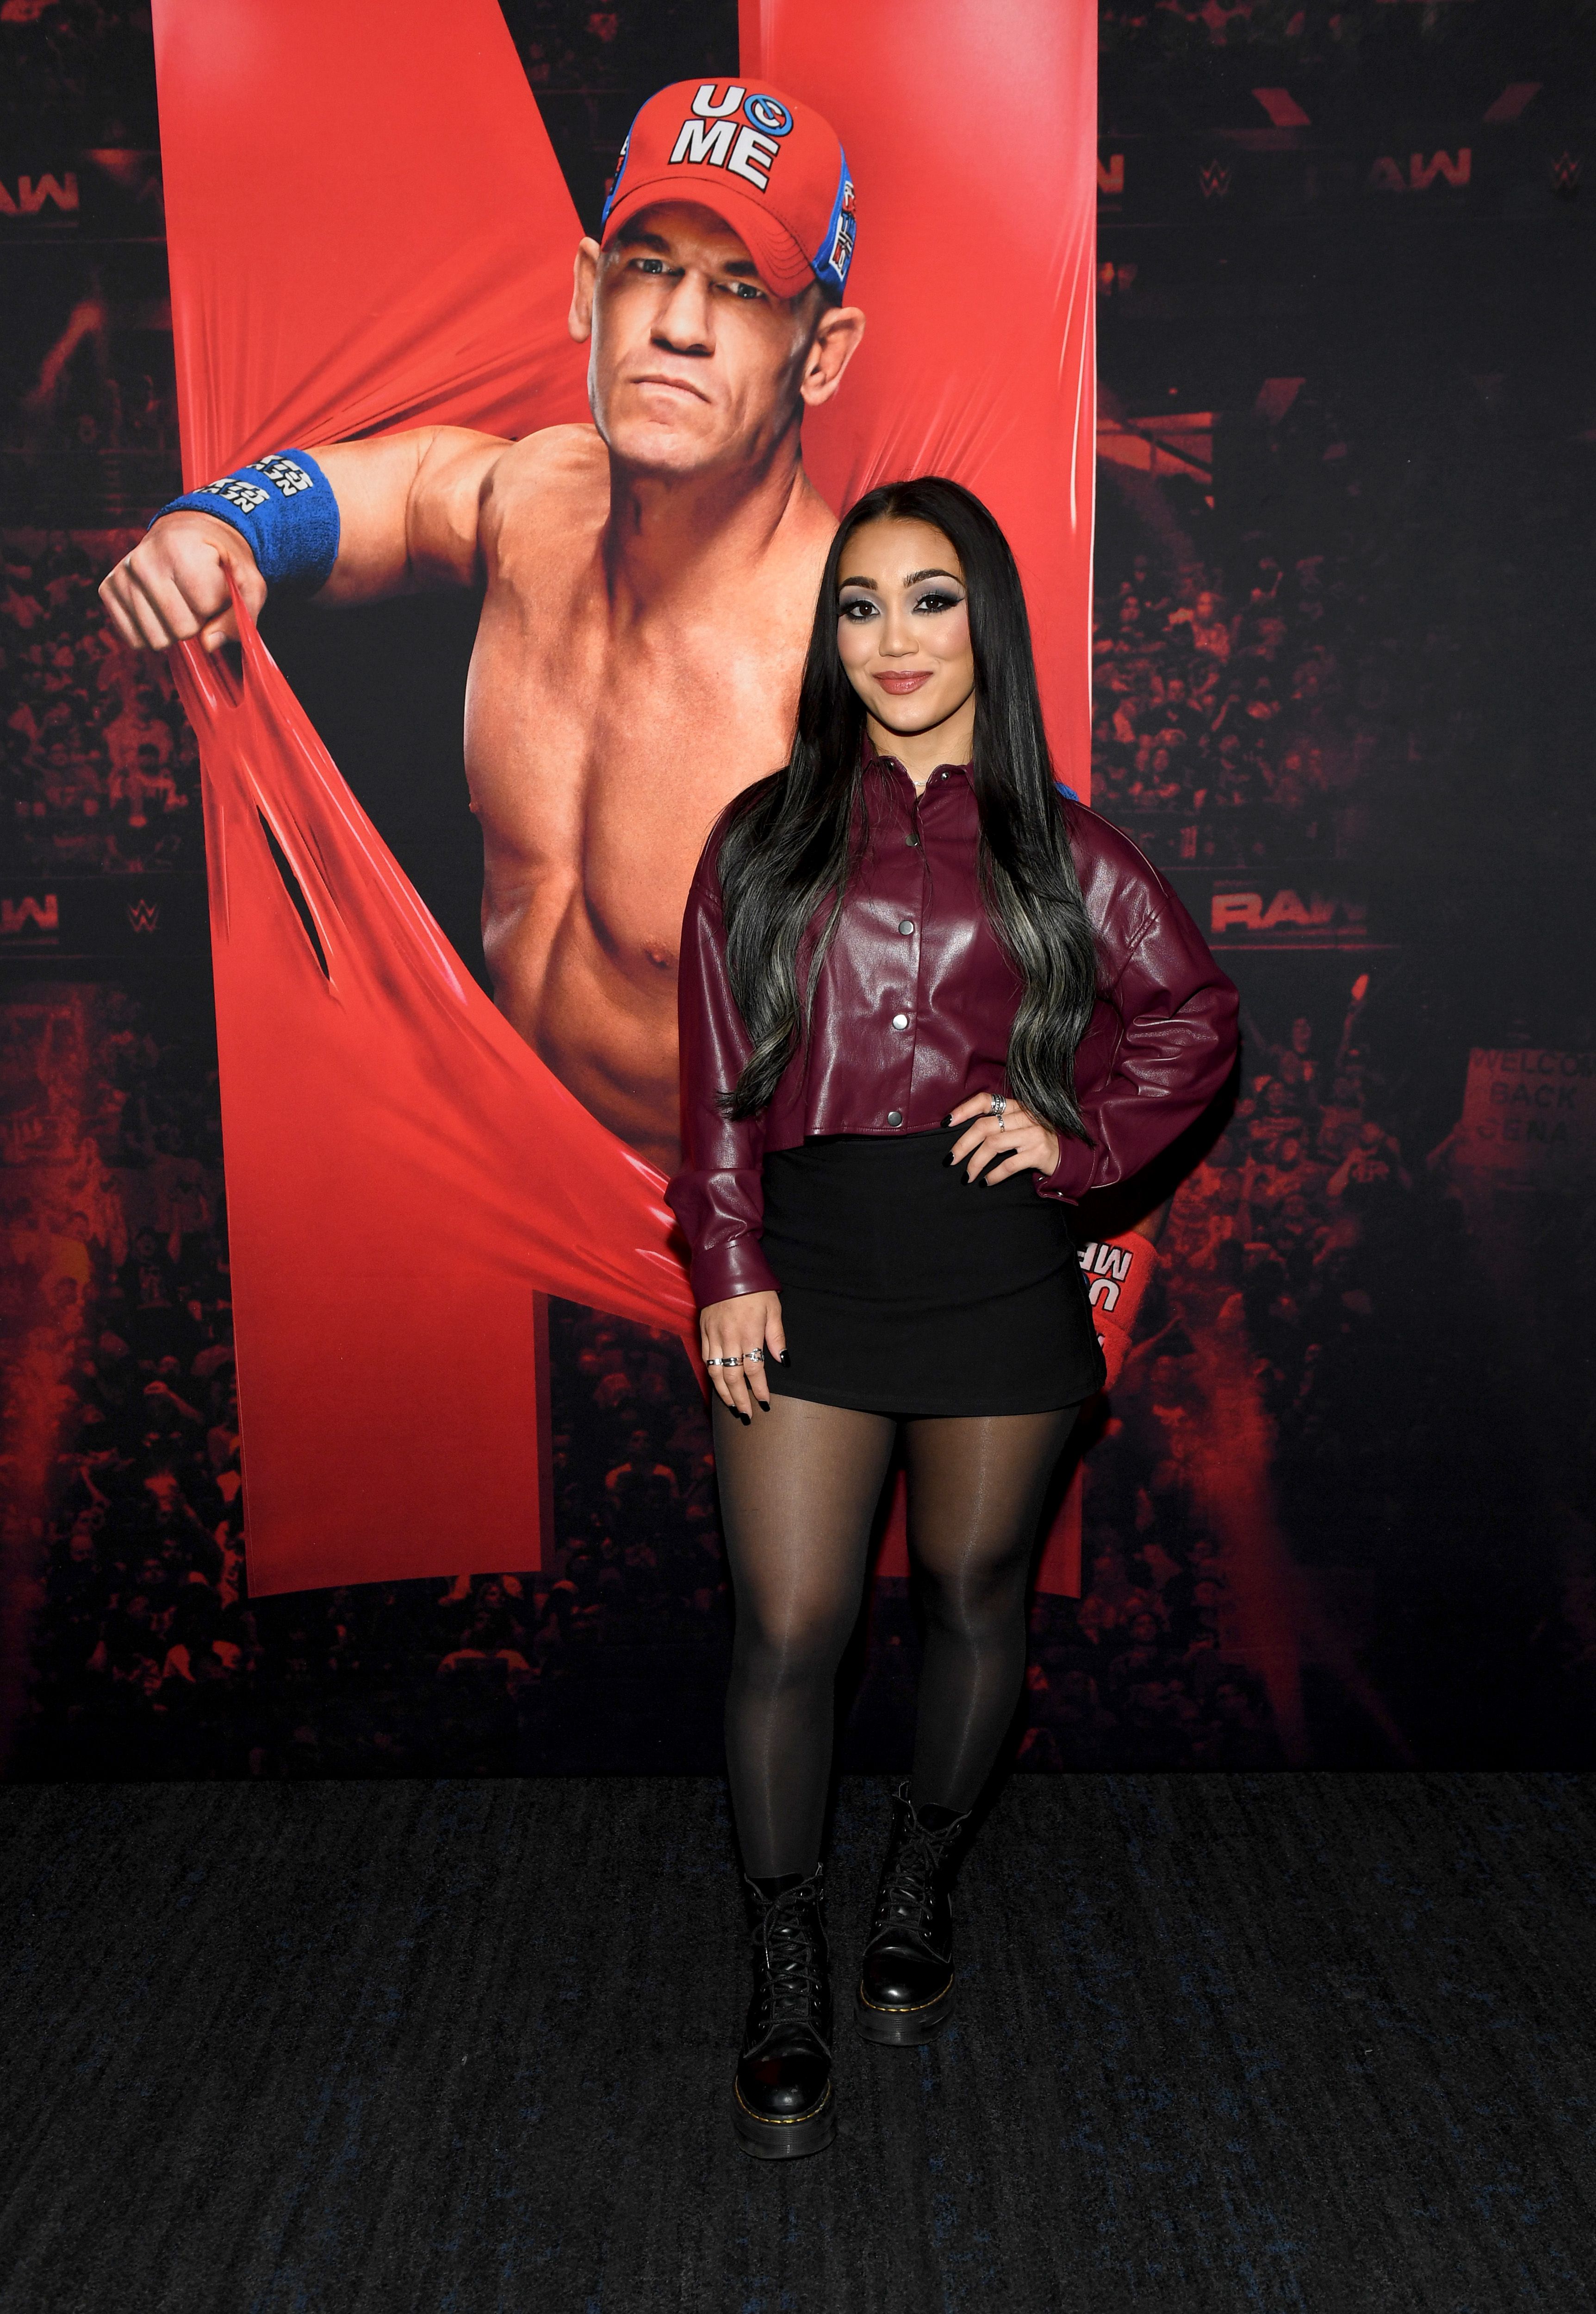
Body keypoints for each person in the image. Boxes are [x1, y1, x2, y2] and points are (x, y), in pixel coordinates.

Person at [666, 476, 1239, 2158]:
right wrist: (727, 1264)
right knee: (790, 1625)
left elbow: (1195, 1017)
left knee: (978, 1595)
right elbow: (714, 1081)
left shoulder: (1064, 847)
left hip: (994, 1265)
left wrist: (1082, 1140)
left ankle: (921, 1873)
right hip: (811, 1265)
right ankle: (786, 1954)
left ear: (984, 617)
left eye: (929, 599)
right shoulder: (759, 839)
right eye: (860, 605)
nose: (894, 638)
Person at [97, 81, 865, 1173]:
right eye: (650, 267)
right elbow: (408, 490)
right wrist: (220, 526)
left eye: (742, 290)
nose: (680, 327)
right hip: (499, 1187)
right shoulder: (535, 505)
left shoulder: (862, 657)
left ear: (822, 354)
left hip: (738, 1238)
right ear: (589, 291)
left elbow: (1064, 982)